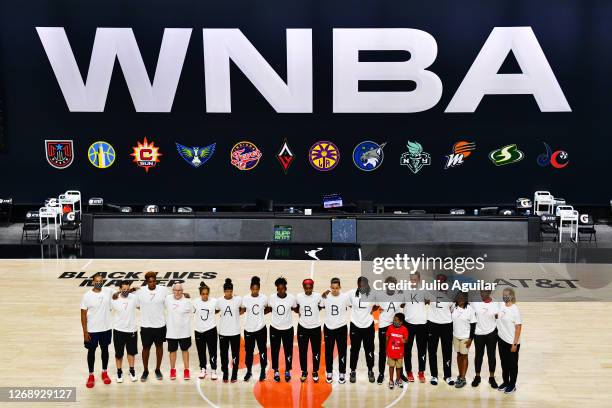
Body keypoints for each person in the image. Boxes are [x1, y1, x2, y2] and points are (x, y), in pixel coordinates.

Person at [80, 273, 113, 388]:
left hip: (106, 328)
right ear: (93, 282)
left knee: (105, 350)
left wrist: (133, 289)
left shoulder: (108, 291)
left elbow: (120, 293)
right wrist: (85, 332)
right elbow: (83, 315)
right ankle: (91, 375)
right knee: (91, 352)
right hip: (92, 330)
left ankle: (104, 372)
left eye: (101, 281)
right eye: (97, 281)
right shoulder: (87, 296)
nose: (99, 283)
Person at [136, 271, 168, 381]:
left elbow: (168, 302)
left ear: (156, 281)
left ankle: (157, 369)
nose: (152, 283)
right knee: (146, 348)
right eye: (150, 282)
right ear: (146, 282)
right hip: (146, 325)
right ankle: (145, 370)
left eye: (154, 281)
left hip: (160, 325)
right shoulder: (140, 291)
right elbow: (137, 305)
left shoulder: (163, 290)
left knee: (159, 347)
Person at [267, 277, 297, 382]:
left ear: (285, 288)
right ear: (277, 289)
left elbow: (295, 308)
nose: (281, 291)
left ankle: (287, 370)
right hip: (275, 328)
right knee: (274, 351)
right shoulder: (271, 298)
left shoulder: (292, 298)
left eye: (283, 288)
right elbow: (269, 309)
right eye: (279, 289)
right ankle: (276, 370)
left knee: (288, 351)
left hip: (288, 329)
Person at [321, 277, 350, 384]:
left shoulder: (345, 297)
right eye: (333, 288)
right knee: (328, 352)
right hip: (329, 328)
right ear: (330, 288)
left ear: (340, 287)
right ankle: (329, 372)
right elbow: (320, 305)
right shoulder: (325, 297)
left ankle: (342, 373)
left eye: (337, 288)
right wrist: (322, 295)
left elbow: (349, 306)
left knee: (342, 351)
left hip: (341, 327)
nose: (335, 290)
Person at [375, 276, 404, 385]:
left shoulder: (400, 295)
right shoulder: (380, 295)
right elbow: (375, 306)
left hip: (395, 326)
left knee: (398, 350)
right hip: (383, 325)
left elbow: (403, 305)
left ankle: (400, 374)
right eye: (388, 284)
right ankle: (381, 373)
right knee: (383, 350)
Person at [426, 276, 455, 386]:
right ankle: (434, 375)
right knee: (432, 351)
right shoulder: (430, 293)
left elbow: (452, 310)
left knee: (447, 351)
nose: (440, 283)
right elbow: (424, 301)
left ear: (445, 282)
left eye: (442, 281)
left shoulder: (451, 295)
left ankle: (447, 376)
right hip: (432, 324)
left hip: (447, 325)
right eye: (438, 281)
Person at [348, 276, 376, 383]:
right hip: (355, 325)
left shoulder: (372, 293)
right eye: (360, 285)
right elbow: (344, 300)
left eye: (364, 285)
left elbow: (377, 305)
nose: (362, 287)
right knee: (354, 350)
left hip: (368, 325)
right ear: (357, 285)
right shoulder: (351, 293)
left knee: (369, 349)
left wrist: (371, 311)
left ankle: (370, 370)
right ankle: (353, 371)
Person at [111, 280, 139, 383]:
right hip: (118, 330)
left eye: (127, 289)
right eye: (123, 289)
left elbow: (141, 306)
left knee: (131, 352)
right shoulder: (114, 299)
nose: (125, 291)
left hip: (131, 330)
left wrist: (135, 289)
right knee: (119, 354)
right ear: (120, 289)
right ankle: (119, 371)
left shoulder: (134, 298)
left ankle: (132, 370)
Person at [241, 276, 268, 382]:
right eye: (253, 289)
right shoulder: (246, 298)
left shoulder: (264, 298)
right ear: (250, 288)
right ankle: (249, 371)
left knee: (262, 351)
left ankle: (262, 371)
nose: (255, 291)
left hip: (261, 329)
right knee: (249, 352)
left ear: (259, 289)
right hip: (249, 329)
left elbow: (267, 308)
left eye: (257, 289)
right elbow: (242, 310)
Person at [402, 271, 428, 383]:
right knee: (407, 350)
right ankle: (409, 371)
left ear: (419, 279)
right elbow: (401, 304)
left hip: (422, 324)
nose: (413, 281)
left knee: (422, 350)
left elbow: (430, 301)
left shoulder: (424, 290)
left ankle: (421, 372)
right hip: (408, 324)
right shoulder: (404, 290)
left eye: (415, 279)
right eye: (412, 279)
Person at [295, 278, 322, 383]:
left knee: (316, 351)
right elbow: (296, 308)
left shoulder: (318, 296)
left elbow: (320, 307)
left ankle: (315, 371)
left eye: (310, 288)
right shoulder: (299, 297)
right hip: (303, 327)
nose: (308, 290)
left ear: (313, 287)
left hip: (315, 327)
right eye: (306, 288)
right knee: (302, 351)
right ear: (303, 287)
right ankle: (304, 371)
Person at [165, 283, 194, 380]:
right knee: (172, 352)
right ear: (172, 291)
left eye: (179, 290)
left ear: (182, 291)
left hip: (184, 332)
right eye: (175, 290)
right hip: (172, 332)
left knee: (185, 351)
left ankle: (186, 370)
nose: (177, 292)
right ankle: (172, 370)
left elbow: (195, 311)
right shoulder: (168, 299)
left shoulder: (188, 301)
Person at [496, 288, 522, 394]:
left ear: (511, 296)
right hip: (501, 340)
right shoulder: (501, 305)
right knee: (504, 363)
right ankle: (505, 382)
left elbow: (518, 327)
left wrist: (514, 343)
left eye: (506, 295)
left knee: (512, 365)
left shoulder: (515, 309)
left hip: (512, 342)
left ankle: (512, 385)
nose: (505, 296)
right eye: (503, 295)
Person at [471, 290, 499, 388]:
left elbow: (498, 317)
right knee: (479, 355)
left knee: (491, 355)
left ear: (489, 293)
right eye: (481, 292)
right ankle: (477, 376)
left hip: (491, 332)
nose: (482, 294)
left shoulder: (495, 303)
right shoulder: (475, 301)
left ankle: (492, 377)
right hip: (478, 333)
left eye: (485, 292)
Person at [217, 278, 242, 383]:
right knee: (224, 355)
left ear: (232, 291)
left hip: (235, 332)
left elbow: (242, 309)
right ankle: (225, 374)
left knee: (235, 354)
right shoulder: (219, 301)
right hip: (223, 332)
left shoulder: (238, 300)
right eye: (227, 291)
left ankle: (234, 374)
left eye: (230, 291)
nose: (228, 293)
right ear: (224, 291)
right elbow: (215, 310)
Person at [451, 291, 476, 388]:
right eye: (459, 298)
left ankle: (463, 378)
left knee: (464, 356)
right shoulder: (454, 307)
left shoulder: (470, 309)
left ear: (466, 299)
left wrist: (470, 339)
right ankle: (460, 374)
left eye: (462, 298)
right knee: (458, 355)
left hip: (465, 337)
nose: (460, 300)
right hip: (455, 336)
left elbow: (473, 325)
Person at [193, 282, 218, 380]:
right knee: (201, 351)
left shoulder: (214, 301)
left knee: (212, 351)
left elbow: (217, 309)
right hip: (199, 330)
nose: (205, 296)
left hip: (211, 330)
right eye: (203, 294)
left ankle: (213, 370)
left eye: (207, 293)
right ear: (200, 294)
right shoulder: (195, 302)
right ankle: (203, 369)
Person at [386, 313, 408, 389]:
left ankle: (398, 379)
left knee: (399, 367)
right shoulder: (390, 328)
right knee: (391, 366)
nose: (394, 321)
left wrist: (404, 341)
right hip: (391, 352)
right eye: (394, 319)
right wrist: (387, 349)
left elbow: (406, 339)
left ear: (401, 322)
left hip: (399, 353)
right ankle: (391, 380)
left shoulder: (404, 329)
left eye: (396, 320)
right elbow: (387, 338)